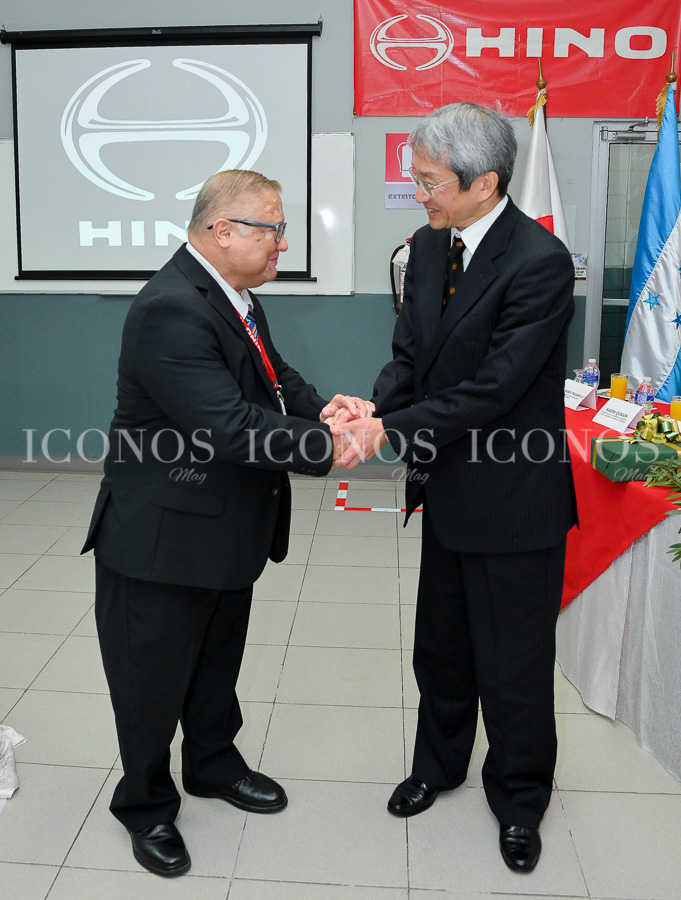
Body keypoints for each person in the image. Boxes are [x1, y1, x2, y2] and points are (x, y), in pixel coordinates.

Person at [82, 169, 369, 877]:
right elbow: (227, 425)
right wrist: (329, 447)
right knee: (150, 684)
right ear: (224, 231)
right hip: (160, 539)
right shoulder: (171, 308)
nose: (283, 243)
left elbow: (273, 380)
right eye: (272, 229)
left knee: (214, 668)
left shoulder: (232, 295)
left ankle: (211, 764)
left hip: (221, 528)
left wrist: (322, 410)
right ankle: (145, 805)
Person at [333, 103, 578, 873]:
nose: (418, 191)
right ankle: (436, 767)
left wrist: (388, 432)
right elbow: (410, 353)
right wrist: (376, 403)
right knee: (440, 650)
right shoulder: (431, 249)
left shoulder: (538, 261)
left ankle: (518, 796)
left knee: (511, 661)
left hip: (511, 497)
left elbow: (494, 387)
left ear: (484, 183)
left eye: (430, 181)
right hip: (444, 489)